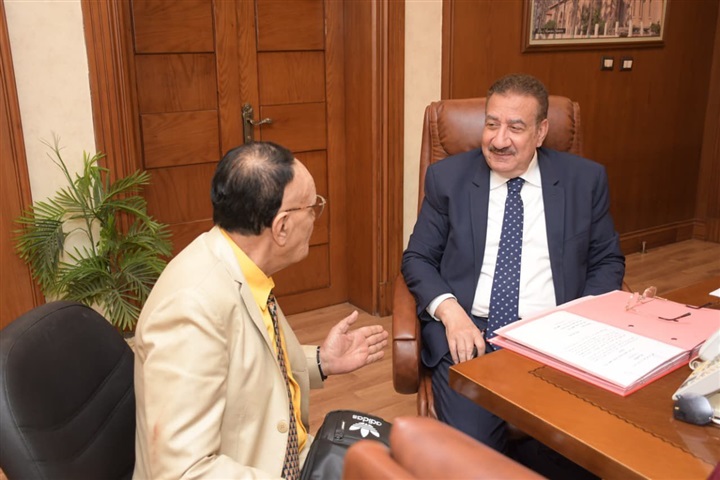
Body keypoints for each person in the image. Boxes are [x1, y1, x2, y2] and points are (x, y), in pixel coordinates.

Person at [401, 73, 625, 477]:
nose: (499, 140)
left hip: (555, 341)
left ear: (541, 131)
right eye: (492, 124)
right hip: (473, 337)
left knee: (587, 451)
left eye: (516, 128)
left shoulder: (584, 181)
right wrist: (451, 313)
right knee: (473, 462)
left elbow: (607, 261)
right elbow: (417, 258)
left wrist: (579, 324)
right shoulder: (448, 179)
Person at [133, 141, 389, 479]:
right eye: (313, 206)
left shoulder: (240, 265)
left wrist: (321, 361)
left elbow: (248, 365)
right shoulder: (191, 308)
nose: (316, 216)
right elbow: (183, 472)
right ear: (281, 227)